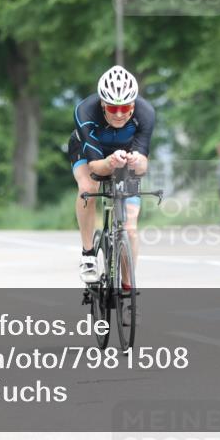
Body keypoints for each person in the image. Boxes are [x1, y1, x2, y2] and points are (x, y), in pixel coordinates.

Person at [68, 65, 155, 285]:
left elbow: (143, 165)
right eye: (112, 108)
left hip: (125, 153)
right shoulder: (85, 111)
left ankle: (127, 285)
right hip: (89, 151)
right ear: (102, 104)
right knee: (88, 188)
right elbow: (96, 167)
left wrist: (136, 161)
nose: (119, 114)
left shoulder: (146, 113)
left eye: (125, 108)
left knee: (130, 228)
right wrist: (109, 162)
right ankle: (88, 254)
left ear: (133, 105)